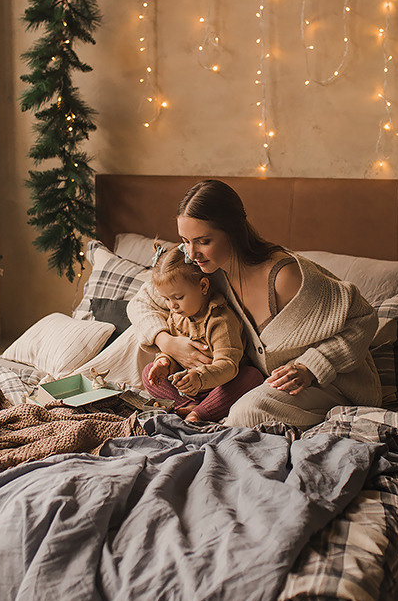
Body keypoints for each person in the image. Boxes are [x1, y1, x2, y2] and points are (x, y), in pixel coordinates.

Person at [129, 179, 382, 430]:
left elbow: (363, 318)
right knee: (142, 346)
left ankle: (203, 408)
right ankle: (201, 406)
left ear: (234, 232)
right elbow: (140, 302)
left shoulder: (285, 277)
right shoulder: (203, 269)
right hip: (260, 380)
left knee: (246, 414)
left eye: (203, 241)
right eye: (185, 240)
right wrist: (168, 342)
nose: (192, 254)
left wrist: (311, 366)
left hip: (327, 383)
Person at [140, 241, 264, 423]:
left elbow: (228, 365)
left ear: (203, 286)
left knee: (252, 377)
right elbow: (172, 354)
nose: (172, 306)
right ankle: (190, 406)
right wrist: (164, 363)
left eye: (178, 297)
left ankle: (199, 413)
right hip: (187, 385)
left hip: (220, 384)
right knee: (148, 372)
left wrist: (199, 378)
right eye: (166, 299)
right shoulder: (176, 316)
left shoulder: (220, 320)